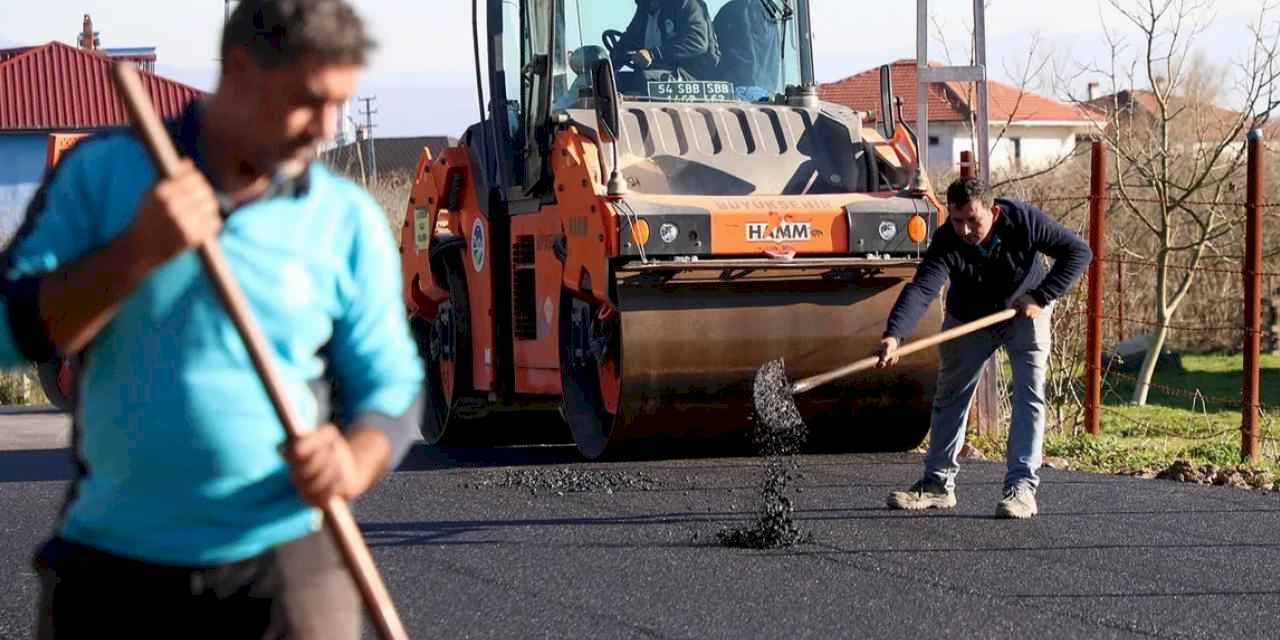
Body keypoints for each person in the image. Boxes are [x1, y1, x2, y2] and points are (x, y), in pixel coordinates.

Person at [8, 0, 424, 636]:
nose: (327, 128)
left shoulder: (344, 219)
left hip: (285, 566)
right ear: (241, 70)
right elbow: (11, 335)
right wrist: (133, 254)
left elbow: (391, 387)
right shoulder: (102, 177)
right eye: (310, 100)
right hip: (112, 576)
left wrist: (355, 458)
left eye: (340, 103)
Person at [875, 176, 1092, 519]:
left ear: (992, 211)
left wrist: (1041, 295)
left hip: (1024, 312)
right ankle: (937, 484)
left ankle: (1021, 489)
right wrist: (895, 334)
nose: (963, 229)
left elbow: (1079, 252)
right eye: (956, 219)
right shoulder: (948, 239)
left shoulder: (1023, 220)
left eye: (971, 220)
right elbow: (921, 289)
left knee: (1029, 395)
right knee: (950, 396)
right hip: (969, 318)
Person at [616, 0, 721, 82]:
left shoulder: (685, 4)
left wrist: (653, 54)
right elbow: (626, 42)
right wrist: (608, 66)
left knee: (643, 80)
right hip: (657, 72)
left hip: (691, 75)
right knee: (613, 81)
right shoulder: (644, 10)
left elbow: (698, 42)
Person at [712, 0, 783, 97]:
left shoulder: (731, 11)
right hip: (767, 91)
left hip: (738, 88)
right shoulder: (770, 13)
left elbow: (713, 47)